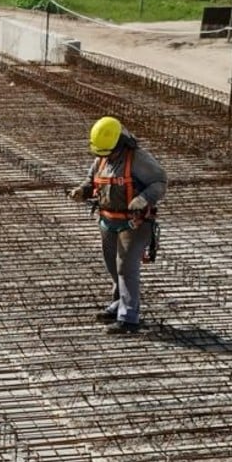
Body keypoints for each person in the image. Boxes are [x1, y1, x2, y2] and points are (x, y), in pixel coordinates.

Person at [69, 116, 168, 334]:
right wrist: (82, 191)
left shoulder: (138, 159)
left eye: (109, 153)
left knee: (126, 268)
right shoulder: (103, 157)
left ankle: (129, 317)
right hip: (107, 221)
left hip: (133, 224)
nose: (105, 157)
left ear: (120, 143)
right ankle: (118, 303)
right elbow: (91, 180)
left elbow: (160, 181)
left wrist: (143, 199)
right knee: (113, 266)